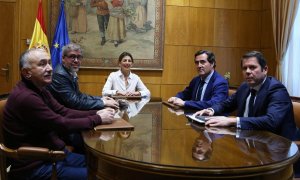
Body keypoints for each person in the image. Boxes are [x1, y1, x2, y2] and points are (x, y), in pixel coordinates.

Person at [3, 48, 116, 179]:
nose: (50, 68)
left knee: (107, 167)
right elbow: (60, 123)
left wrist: (97, 112)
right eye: (42, 64)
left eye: (49, 62)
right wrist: (97, 118)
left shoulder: (41, 89)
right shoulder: (26, 97)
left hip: (55, 155)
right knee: (100, 176)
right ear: (27, 72)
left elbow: (63, 111)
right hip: (36, 165)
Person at [194, 51, 297, 140]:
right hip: (250, 140)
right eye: (244, 68)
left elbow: (271, 121)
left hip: (277, 146)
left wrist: (233, 121)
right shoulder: (245, 87)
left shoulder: (276, 89)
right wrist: (211, 110)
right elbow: (227, 104)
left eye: (252, 67)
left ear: (265, 69)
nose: (247, 71)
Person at [47, 43, 119, 110]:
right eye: (72, 56)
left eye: (79, 57)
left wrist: (101, 99)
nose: (76, 60)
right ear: (63, 58)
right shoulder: (60, 75)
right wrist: (103, 103)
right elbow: (74, 102)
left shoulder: (69, 72)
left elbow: (79, 96)